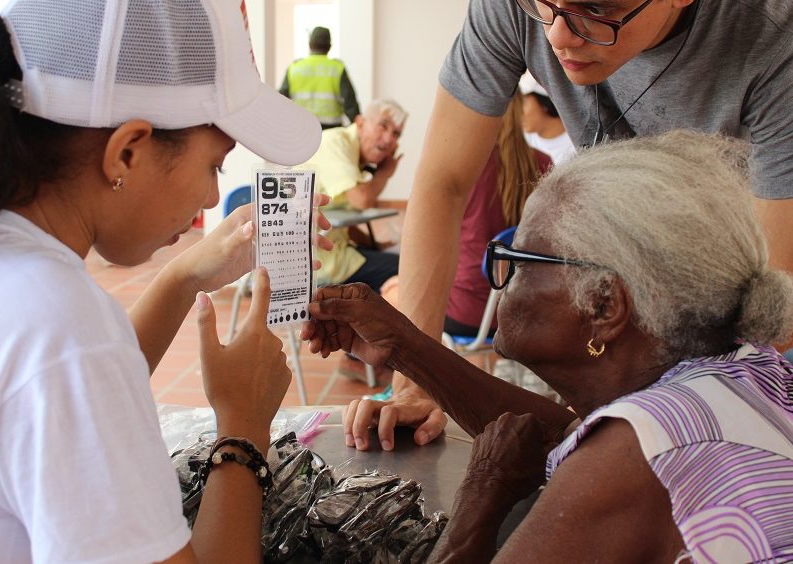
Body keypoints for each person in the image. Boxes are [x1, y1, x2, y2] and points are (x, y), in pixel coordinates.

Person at [0, 3, 334, 563]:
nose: (208, 198)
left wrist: (185, 275)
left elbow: (59, 386)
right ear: (127, 150)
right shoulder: (55, 323)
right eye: (214, 167)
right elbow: (68, 362)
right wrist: (242, 426)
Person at [302, 131, 793, 561]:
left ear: (604, 305)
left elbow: (599, 461)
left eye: (521, 257)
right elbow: (564, 436)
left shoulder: (637, 459)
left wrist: (483, 496)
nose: (504, 276)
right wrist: (403, 345)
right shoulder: (745, 369)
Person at [354, 0, 793, 449]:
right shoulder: (515, 8)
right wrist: (415, 378)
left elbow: (769, 310)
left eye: (597, 8)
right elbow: (443, 183)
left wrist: (657, 425)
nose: (557, 37)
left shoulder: (774, 37)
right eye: (542, 3)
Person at [445, 94, 552, 338]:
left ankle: (365, 370)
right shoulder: (543, 162)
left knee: (389, 293)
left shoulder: (467, 163)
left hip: (466, 311)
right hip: (520, 311)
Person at [308, 98, 407, 294]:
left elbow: (341, 222)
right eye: (383, 126)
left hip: (334, 250)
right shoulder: (335, 144)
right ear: (360, 123)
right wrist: (384, 174)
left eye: (396, 133)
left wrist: (377, 246)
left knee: (393, 258)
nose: (389, 139)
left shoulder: (354, 160)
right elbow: (361, 200)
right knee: (406, 269)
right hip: (317, 262)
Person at [279, 26, 360, 129]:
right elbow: (350, 104)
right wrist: (358, 127)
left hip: (300, 129)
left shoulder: (294, 68)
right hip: (330, 131)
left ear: (310, 44)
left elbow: (280, 100)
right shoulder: (337, 68)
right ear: (329, 46)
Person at [518, 75, 576, 165]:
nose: (517, 113)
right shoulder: (520, 141)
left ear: (544, 102)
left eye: (522, 103)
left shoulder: (579, 142)